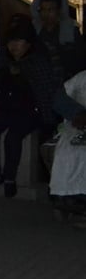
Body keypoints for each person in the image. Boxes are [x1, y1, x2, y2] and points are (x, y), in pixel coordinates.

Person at [0, 22, 59, 198]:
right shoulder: (1, 60)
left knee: (12, 138)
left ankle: (10, 179)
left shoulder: (38, 61)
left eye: (19, 41)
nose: (14, 46)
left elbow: (46, 92)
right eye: (11, 41)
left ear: (28, 43)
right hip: (2, 110)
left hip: (30, 111)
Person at [47, 69, 86, 222]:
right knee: (66, 150)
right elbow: (59, 98)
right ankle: (67, 196)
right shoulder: (82, 77)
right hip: (78, 124)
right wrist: (77, 113)